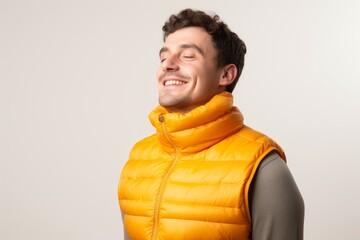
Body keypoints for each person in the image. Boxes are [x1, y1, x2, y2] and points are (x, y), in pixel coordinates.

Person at [118, 8, 304, 240]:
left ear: (226, 75)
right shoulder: (139, 159)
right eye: (164, 57)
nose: (168, 65)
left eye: (187, 56)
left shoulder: (263, 167)